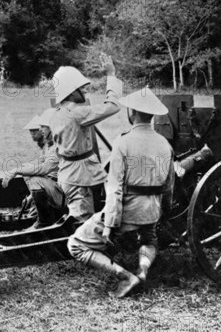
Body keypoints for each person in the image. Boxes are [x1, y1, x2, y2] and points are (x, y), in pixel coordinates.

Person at [67, 87, 174, 297]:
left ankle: (126, 277)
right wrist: (162, 212)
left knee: (76, 244)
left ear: (131, 113)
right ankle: (143, 270)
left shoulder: (123, 142)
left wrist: (109, 225)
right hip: (152, 211)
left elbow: (114, 188)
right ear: (152, 115)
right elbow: (169, 186)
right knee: (149, 239)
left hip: (128, 212)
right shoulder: (165, 145)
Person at [49, 55, 123, 223]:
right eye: (81, 88)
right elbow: (113, 106)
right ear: (70, 91)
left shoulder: (56, 114)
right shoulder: (77, 113)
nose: (85, 90)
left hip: (69, 174)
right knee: (82, 223)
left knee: (81, 217)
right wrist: (111, 75)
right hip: (78, 178)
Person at [3, 108, 66, 228]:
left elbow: (44, 169)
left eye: (43, 127)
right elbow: (36, 164)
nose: (40, 130)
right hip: (60, 189)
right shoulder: (49, 146)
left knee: (34, 179)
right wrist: (31, 196)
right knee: (29, 173)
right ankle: (42, 214)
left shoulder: (56, 147)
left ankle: (44, 221)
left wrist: (17, 170)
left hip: (65, 193)